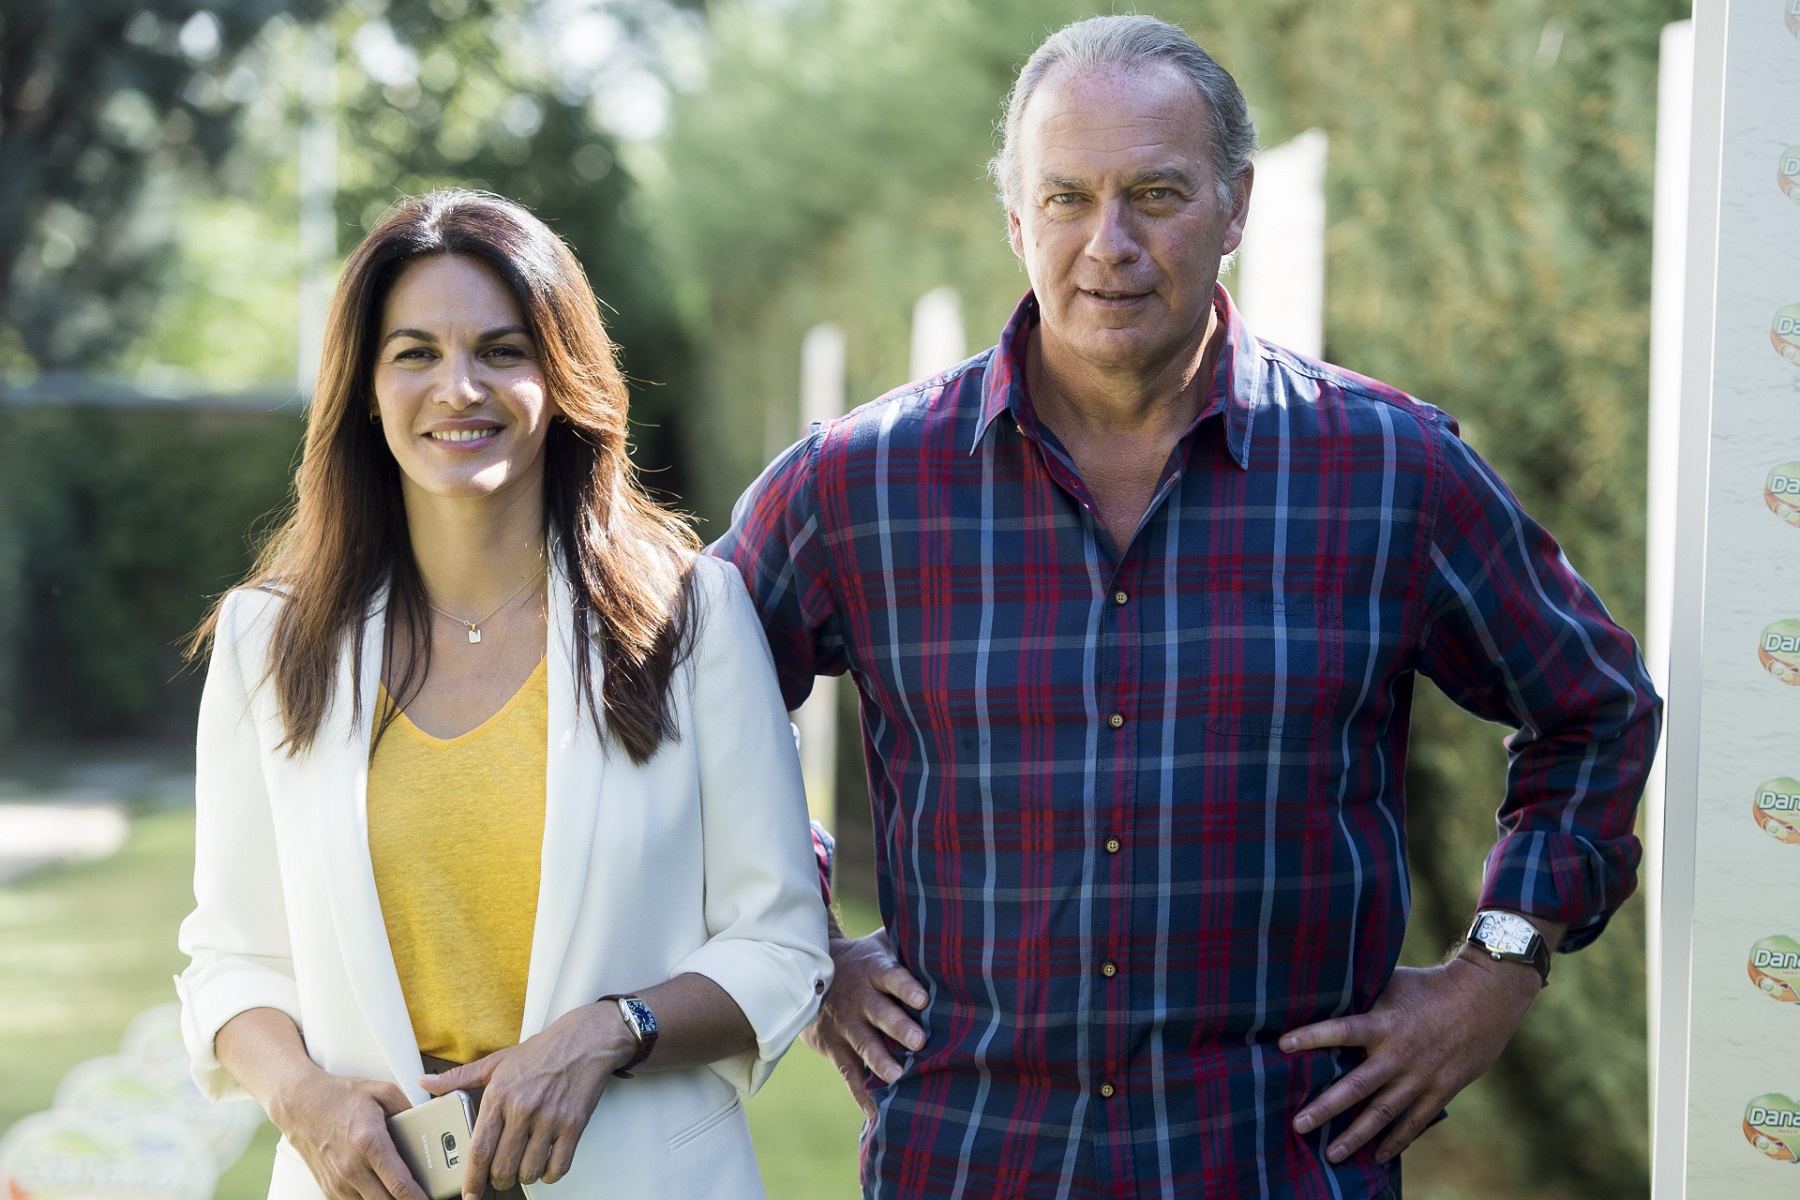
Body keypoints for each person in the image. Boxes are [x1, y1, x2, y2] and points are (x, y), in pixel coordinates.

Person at [712, 14, 1659, 1200]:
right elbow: (688, 712)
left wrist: (1498, 968)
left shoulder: (1391, 472)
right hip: (969, 1159)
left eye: (1156, 194)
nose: (1108, 244)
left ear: (1235, 204)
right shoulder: (855, 487)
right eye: (1066, 197)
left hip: (1278, 1162)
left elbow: (1595, 710)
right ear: (1016, 218)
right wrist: (803, 944)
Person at [177, 189, 831, 1200]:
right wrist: (301, 1097)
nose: (459, 388)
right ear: (366, 390)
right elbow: (232, 957)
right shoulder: (270, 640)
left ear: (561, 378)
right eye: (416, 353)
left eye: (501, 350)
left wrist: (610, 1033)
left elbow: (781, 946)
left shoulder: (691, 615)